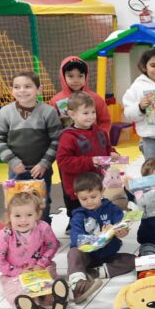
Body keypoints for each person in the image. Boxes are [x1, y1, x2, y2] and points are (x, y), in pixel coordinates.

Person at [0, 71, 61, 224]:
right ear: (11, 90)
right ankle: (22, 234)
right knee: (16, 203)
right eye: (17, 87)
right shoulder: (5, 112)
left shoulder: (48, 112)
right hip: (16, 170)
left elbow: (57, 140)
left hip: (41, 169)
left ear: (39, 89)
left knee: (42, 202)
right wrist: (13, 161)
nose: (22, 90)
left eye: (28, 86)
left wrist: (44, 163)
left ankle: (43, 232)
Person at [0, 191, 68, 309]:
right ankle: (31, 307)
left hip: (40, 268)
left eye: (29, 215)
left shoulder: (43, 227)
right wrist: (18, 271)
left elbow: (52, 245)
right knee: (14, 288)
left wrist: (41, 263)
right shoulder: (5, 234)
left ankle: (56, 298)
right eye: (17, 216)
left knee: (50, 275)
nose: (23, 220)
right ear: (9, 216)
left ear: (37, 214)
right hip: (15, 274)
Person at [56, 91, 120, 231]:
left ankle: (99, 232)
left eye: (93, 112)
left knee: (98, 210)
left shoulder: (100, 131)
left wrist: (113, 154)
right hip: (78, 188)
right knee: (80, 217)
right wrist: (90, 162)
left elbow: (107, 148)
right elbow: (63, 161)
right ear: (72, 114)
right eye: (85, 113)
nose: (91, 116)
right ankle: (78, 237)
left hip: (97, 182)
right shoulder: (68, 136)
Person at [67, 173, 135, 303]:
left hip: (106, 254)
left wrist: (122, 231)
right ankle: (78, 284)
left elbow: (121, 224)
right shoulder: (78, 216)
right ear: (77, 197)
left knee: (132, 260)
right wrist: (99, 237)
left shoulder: (112, 209)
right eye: (84, 199)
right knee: (73, 253)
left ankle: (95, 273)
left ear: (102, 191)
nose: (89, 201)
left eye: (93, 196)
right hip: (86, 255)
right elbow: (76, 239)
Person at [49, 55, 112, 134]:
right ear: (63, 77)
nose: (76, 80)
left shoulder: (96, 98)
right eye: (71, 76)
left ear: (85, 76)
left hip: (92, 142)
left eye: (80, 76)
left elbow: (105, 121)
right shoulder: (55, 101)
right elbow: (52, 127)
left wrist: (101, 138)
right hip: (68, 143)